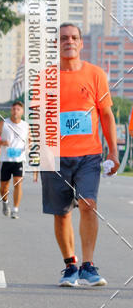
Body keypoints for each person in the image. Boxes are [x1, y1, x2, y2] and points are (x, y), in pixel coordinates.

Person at [40, 23, 119, 288]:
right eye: (63, 38)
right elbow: (40, 119)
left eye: (74, 37)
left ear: (81, 43)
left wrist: (114, 151)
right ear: (56, 44)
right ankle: (70, 265)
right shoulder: (45, 78)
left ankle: (88, 265)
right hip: (56, 156)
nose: (69, 42)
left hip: (89, 155)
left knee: (88, 204)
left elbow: (106, 115)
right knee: (62, 214)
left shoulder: (96, 75)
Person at [0, 101, 29, 219]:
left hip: (19, 159)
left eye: (18, 109)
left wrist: (28, 147)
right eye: (13, 109)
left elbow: (30, 139)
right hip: (5, 159)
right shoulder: (4, 123)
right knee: (4, 186)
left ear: (22, 112)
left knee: (18, 183)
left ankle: (15, 209)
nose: (15, 111)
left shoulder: (26, 125)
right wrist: (1, 142)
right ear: (11, 111)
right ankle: (5, 202)